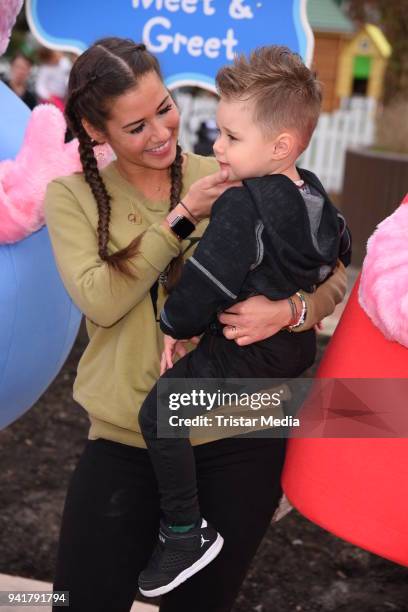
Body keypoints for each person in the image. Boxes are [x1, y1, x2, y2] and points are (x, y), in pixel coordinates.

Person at [44, 37, 347, 612]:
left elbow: (330, 270)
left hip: (241, 435)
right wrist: (183, 218)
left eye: (165, 107)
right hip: (126, 441)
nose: (161, 132)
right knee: (74, 600)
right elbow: (101, 301)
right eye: (136, 126)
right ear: (94, 129)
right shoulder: (71, 198)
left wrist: (292, 311)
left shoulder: (239, 170)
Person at [137, 45, 352, 597]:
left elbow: (209, 278)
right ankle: (294, 462)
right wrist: (296, 305)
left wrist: (173, 323)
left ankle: (184, 532)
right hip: (290, 354)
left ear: (280, 145)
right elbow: (341, 249)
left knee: (159, 412)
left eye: (232, 136)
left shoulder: (244, 204)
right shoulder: (317, 196)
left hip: (243, 350)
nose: (217, 144)